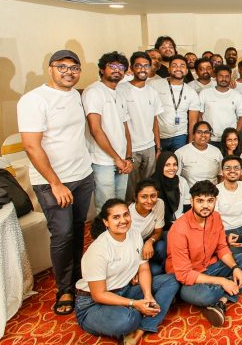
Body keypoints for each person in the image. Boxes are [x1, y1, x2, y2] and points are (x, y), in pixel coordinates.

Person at [18, 50, 95, 315]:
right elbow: (31, 145)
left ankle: (77, 276)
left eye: (74, 68)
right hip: (53, 182)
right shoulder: (34, 100)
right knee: (62, 235)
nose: (68, 72)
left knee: (78, 228)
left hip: (82, 175)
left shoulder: (75, 96)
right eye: (62, 67)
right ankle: (64, 289)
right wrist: (55, 183)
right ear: (50, 69)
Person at [75, 198, 179, 345]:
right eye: (116, 217)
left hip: (124, 289)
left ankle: (138, 332)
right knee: (128, 319)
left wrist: (147, 295)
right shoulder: (98, 250)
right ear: (106, 222)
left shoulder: (134, 234)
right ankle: (141, 319)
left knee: (171, 280)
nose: (123, 220)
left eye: (126, 215)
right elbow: (99, 295)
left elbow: (143, 268)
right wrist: (134, 304)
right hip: (93, 305)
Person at [166, 180, 242, 327]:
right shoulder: (179, 229)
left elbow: (222, 248)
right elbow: (184, 274)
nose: (205, 206)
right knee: (206, 295)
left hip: (211, 266)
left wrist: (235, 267)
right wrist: (223, 281)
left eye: (210, 201)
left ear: (215, 201)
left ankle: (222, 301)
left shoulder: (215, 217)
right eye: (200, 201)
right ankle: (233, 283)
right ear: (191, 201)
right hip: (189, 279)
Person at [83, 51, 134, 210]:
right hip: (102, 160)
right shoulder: (94, 91)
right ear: (101, 69)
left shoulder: (120, 94)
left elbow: (125, 128)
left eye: (121, 67)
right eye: (112, 66)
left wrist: (128, 157)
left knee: (119, 204)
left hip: (122, 159)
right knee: (105, 207)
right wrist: (116, 158)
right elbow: (95, 129)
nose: (117, 70)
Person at [120, 51, 162, 202]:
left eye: (146, 66)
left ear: (150, 68)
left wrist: (158, 147)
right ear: (131, 68)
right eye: (138, 65)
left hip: (149, 146)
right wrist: (127, 152)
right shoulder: (121, 89)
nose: (143, 69)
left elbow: (155, 120)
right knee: (131, 190)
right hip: (131, 149)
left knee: (147, 188)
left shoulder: (152, 92)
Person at [150, 55, 201, 152]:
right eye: (174, 65)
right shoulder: (154, 85)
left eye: (182, 66)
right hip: (158, 135)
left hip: (180, 136)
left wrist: (190, 145)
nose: (178, 68)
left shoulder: (191, 92)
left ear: (186, 71)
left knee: (178, 161)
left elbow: (193, 121)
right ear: (169, 69)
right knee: (159, 161)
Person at [191, 65, 242, 147]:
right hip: (210, 139)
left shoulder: (236, 95)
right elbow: (199, 115)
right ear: (215, 77)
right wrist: (205, 134)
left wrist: (234, 134)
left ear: (230, 78)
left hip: (228, 140)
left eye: (227, 76)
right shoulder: (205, 93)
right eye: (221, 76)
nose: (224, 79)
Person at [128, 179, 168, 276]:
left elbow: (158, 231)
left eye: (153, 196)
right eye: (144, 197)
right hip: (132, 251)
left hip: (148, 242)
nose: (149, 201)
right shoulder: (128, 214)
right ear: (136, 197)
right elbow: (126, 247)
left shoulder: (159, 203)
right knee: (156, 270)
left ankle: (168, 270)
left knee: (163, 244)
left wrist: (150, 241)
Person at [175, 121, 223, 187]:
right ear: (193, 134)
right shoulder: (181, 153)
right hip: (190, 192)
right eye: (199, 132)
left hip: (212, 191)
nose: (203, 135)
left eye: (206, 132)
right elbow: (176, 177)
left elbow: (221, 175)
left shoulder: (216, 151)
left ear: (210, 135)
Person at [151, 151, 190, 232]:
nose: (172, 168)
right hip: (157, 227)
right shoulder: (151, 184)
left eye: (174, 164)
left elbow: (187, 206)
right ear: (160, 165)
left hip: (179, 224)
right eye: (167, 165)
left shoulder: (181, 181)